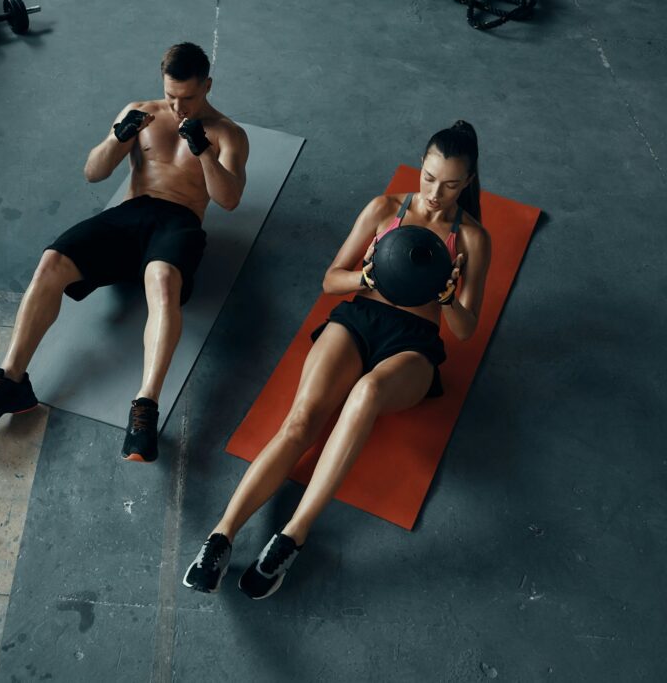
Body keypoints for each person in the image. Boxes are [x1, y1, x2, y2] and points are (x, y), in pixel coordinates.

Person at [183, 121, 491, 599]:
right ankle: (220, 536)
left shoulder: (471, 238)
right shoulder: (385, 208)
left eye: (450, 185)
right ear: (421, 165)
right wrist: (365, 278)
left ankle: (292, 537)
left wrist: (448, 297)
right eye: (429, 177)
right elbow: (331, 280)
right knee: (300, 422)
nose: (435, 193)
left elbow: (466, 329)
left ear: (467, 181)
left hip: (413, 345)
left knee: (366, 393)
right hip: (358, 319)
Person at [0, 43, 250, 464]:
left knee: (163, 282)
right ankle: (10, 381)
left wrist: (202, 150)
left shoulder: (227, 133)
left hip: (179, 221)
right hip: (130, 213)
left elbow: (230, 199)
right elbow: (94, 172)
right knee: (51, 262)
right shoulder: (140, 112)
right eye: (171, 94)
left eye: (188, 97)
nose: (177, 106)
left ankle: (145, 408)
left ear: (207, 85)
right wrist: (118, 136)